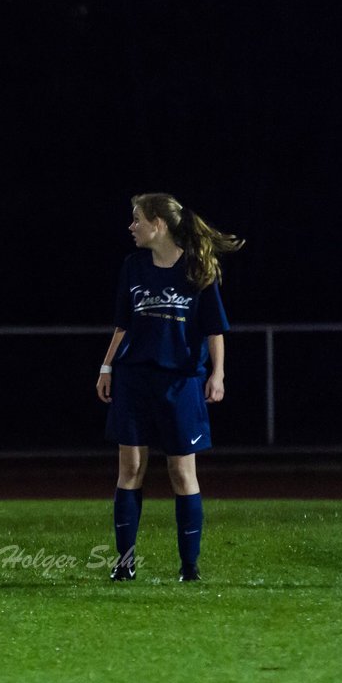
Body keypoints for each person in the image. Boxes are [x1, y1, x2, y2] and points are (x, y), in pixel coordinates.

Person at [95, 192, 244, 582]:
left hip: (180, 382)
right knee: (131, 469)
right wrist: (106, 366)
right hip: (134, 379)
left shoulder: (196, 269)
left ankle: (189, 567)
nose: (132, 227)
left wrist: (218, 374)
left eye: (137, 219)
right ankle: (124, 564)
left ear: (158, 224)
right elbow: (122, 323)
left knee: (182, 473)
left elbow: (215, 329)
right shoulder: (133, 266)